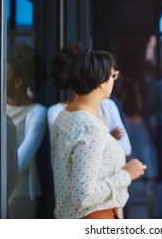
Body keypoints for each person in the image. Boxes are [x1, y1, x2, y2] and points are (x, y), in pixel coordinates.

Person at [50, 49, 147, 219]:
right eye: (113, 75)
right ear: (101, 82)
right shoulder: (89, 128)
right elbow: (84, 195)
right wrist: (127, 174)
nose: (113, 81)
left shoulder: (64, 116)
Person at [47, 42, 132, 156]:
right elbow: (70, 154)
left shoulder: (108, 105)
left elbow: (126, 149)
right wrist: (109, 137)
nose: (112, 79)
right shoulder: (57, 112)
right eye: (112, 75)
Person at [6, 42, 47, 218]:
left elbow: (19, 163)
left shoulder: (37, 113)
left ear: (18, 82)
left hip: (19, 194)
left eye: (5, 72)